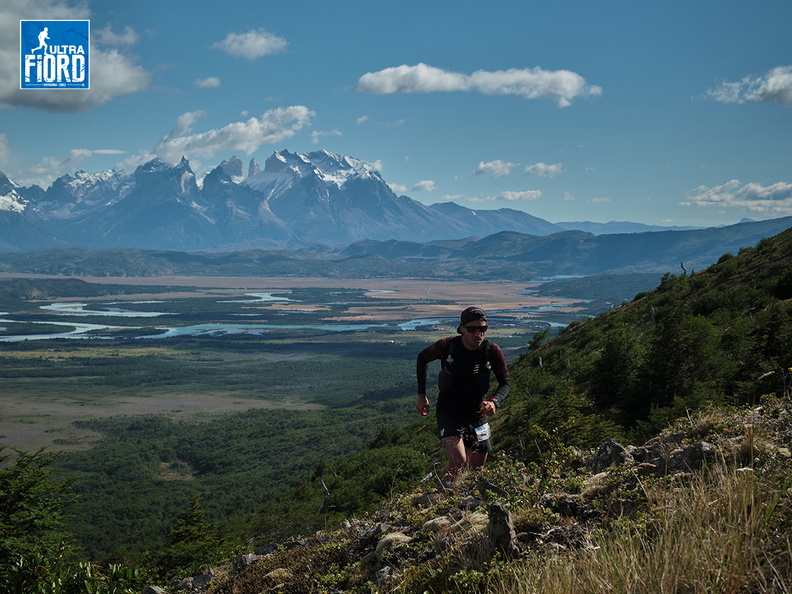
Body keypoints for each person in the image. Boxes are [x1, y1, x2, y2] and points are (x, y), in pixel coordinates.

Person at [415, 306, 510, 482]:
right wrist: (421, 395)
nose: (477, 333)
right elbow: (422, 358)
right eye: (471, 329)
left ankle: (464, 499)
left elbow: (505, 382)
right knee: (458, 461)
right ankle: (442, 491)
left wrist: (495, 402)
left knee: (477, 470)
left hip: (477, 415)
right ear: (462, 329)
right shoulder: (447, 346)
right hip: (449, 412)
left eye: (482, 328)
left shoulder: (492, 351)